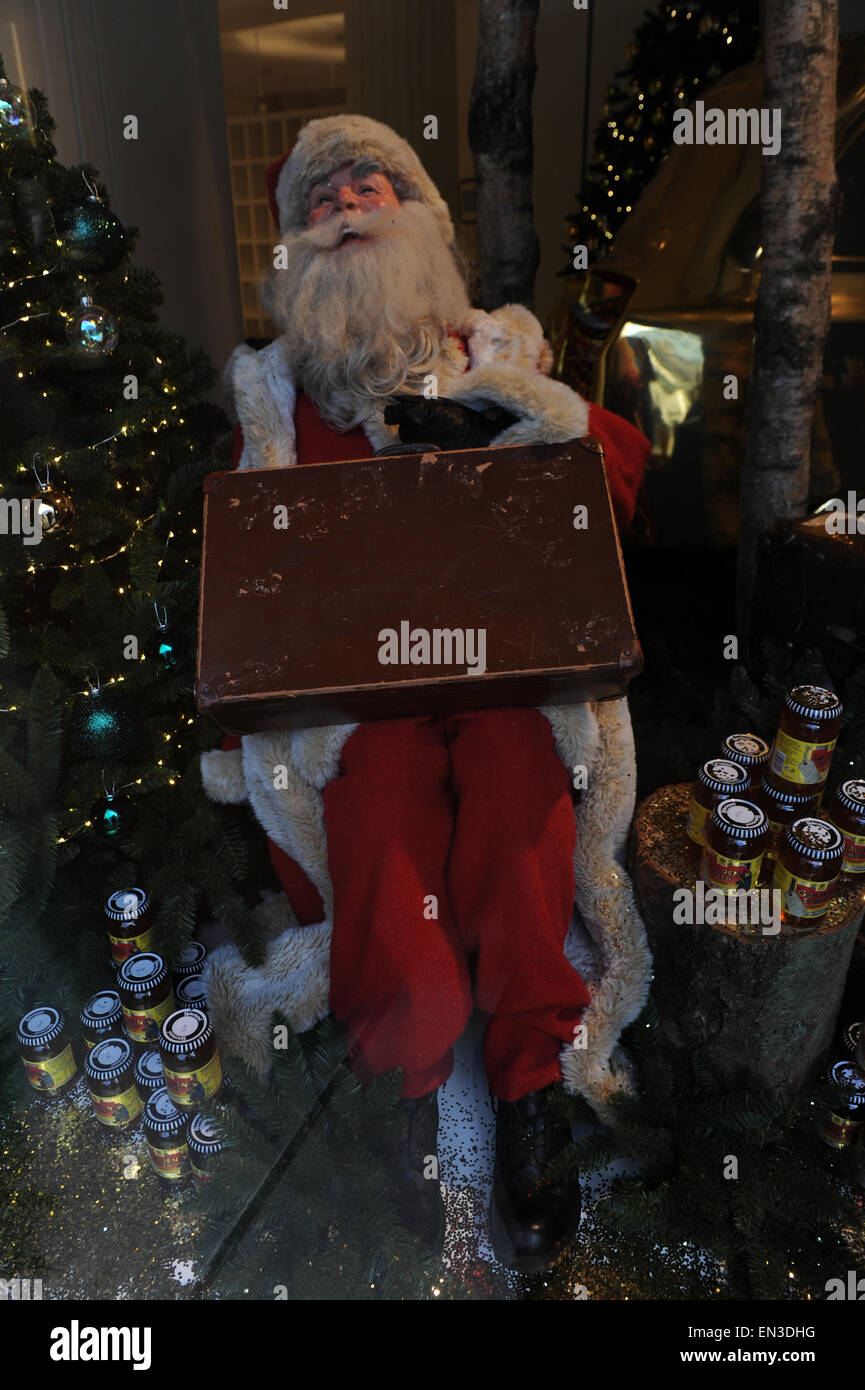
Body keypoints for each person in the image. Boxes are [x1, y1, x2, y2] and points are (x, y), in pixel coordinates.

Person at [201, 115, 653, 1273]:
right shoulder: (275, 398)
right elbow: (250, 564)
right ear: (296, 247)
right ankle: (402, 1091)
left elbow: (611, 484)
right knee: (381, 854)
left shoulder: (496, 348)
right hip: (364, 696)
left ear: (420, 220)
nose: (348, 206)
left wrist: (517, 425)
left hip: (503, 673)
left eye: (371, 185)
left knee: (520, 821)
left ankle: (531, 1080)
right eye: (321, 199)